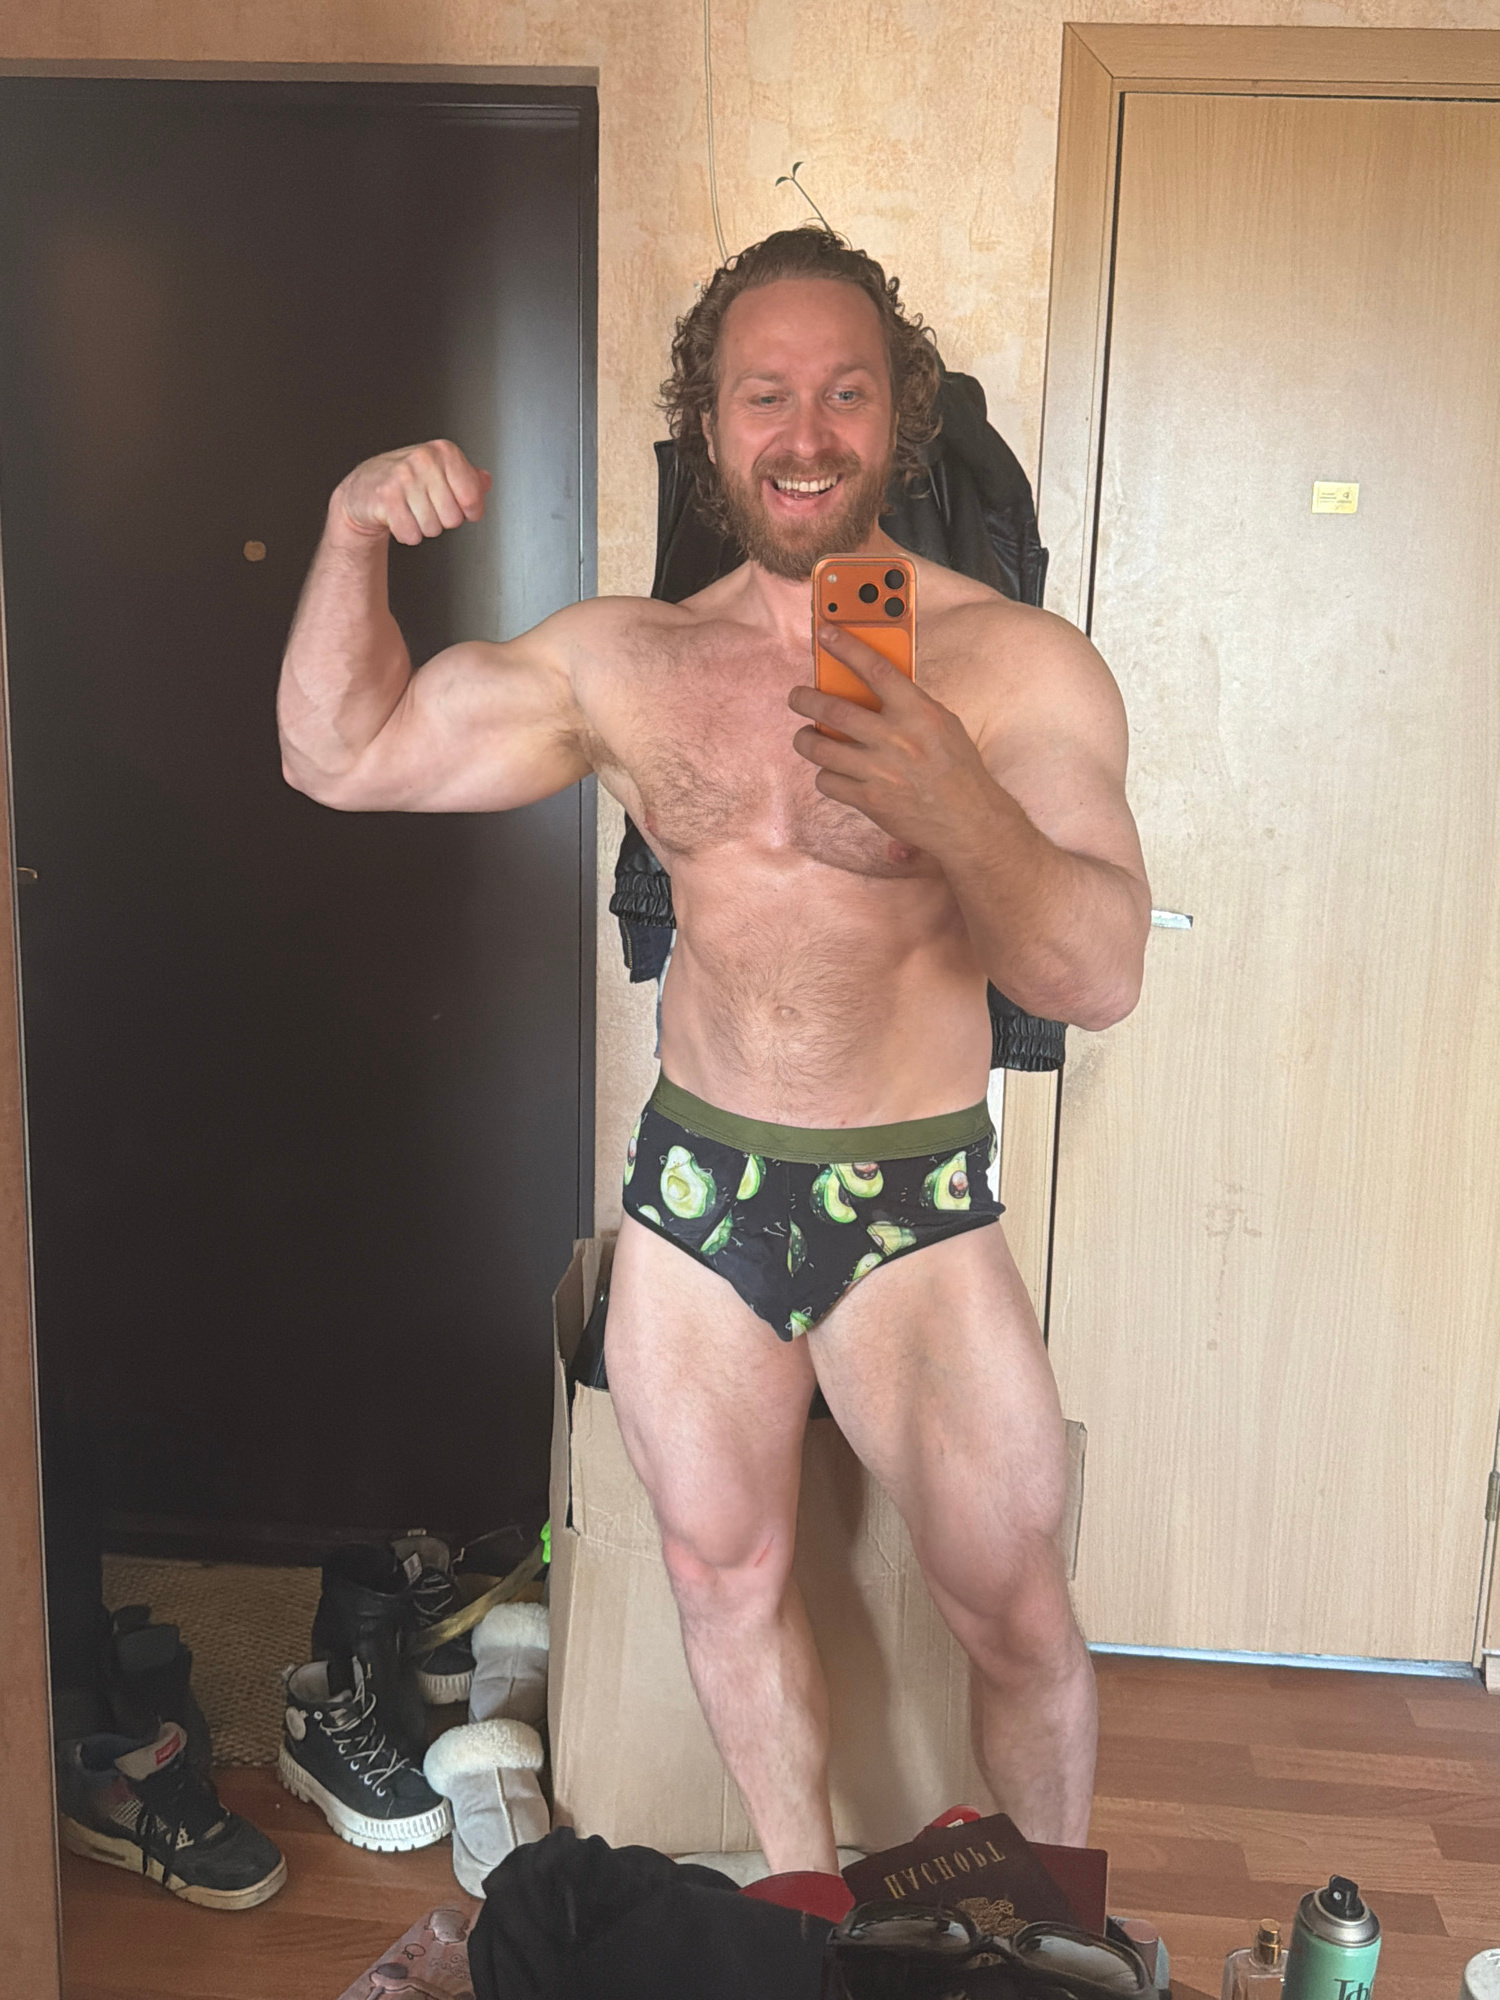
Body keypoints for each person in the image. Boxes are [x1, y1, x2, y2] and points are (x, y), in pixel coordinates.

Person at [277, 227, 1150, 1873]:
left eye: (845, 394)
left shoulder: (1016, 667)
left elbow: (1098, 972)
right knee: (718, 1577)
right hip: (700, 1193)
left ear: (901, 417)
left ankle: (1048, 1953)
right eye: (766, 395)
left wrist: (959, 803)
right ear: (709, 421)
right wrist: (348, 535)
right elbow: (345, 754)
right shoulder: (629, 659)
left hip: (911, 1201)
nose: (806, 434)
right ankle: (801, 1904)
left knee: (1017, 1612)